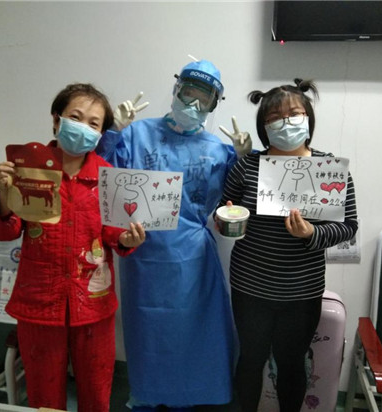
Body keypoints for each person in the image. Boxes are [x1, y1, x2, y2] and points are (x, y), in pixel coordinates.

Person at [96, 59, 252, 411]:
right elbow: (101, 178)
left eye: (204, 99)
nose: (193, 104)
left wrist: (246, 158)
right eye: (188, 93)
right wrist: (112, 132)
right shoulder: (136, 135)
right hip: (142, 251)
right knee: (148, 330)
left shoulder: (217, 150)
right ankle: (147, 396)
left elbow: (237, 198)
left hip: (193, 258)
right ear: (176, 89)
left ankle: (191, 398)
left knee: (195, 332)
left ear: (214, 104)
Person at [0, 83, 146, 412]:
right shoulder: (28, 168)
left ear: (101, 133)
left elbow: (113, 233)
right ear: (56, 119)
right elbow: (5, 231)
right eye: (76, 117)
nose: (83, 127)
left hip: (93, 303)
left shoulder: (107, 176)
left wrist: (126, 240)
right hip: (40, 302)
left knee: (96, 390)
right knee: (44, 394)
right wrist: (3, 194)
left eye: (93, 123)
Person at [216, 79, 358, 412]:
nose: (286, 122)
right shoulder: (248, 165)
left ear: (308, 118)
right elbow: (224, 208)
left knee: (292, 363)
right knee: (250, 358)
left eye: (294, 114)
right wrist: (226, 219)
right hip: (250, 286)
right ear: (264, 127)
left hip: (302, 291)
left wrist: (311, 233)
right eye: (275, 117)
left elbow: (348, 227)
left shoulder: (329, 170)